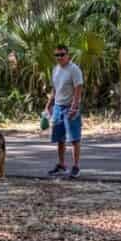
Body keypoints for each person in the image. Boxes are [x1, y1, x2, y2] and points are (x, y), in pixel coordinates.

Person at [45, 44, 83, 178]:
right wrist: (48, 105)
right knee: (59, 138)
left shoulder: (74, 69)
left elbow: (78, 89)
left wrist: (74, 107)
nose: (59, 57)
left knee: (74, 138)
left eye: (62, 54)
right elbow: (55, 89)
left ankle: (76, 166)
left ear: (68, 55)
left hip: (70, 107)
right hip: (58, 107)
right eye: (57, 55)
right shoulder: (55, 69)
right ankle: (61, 165)